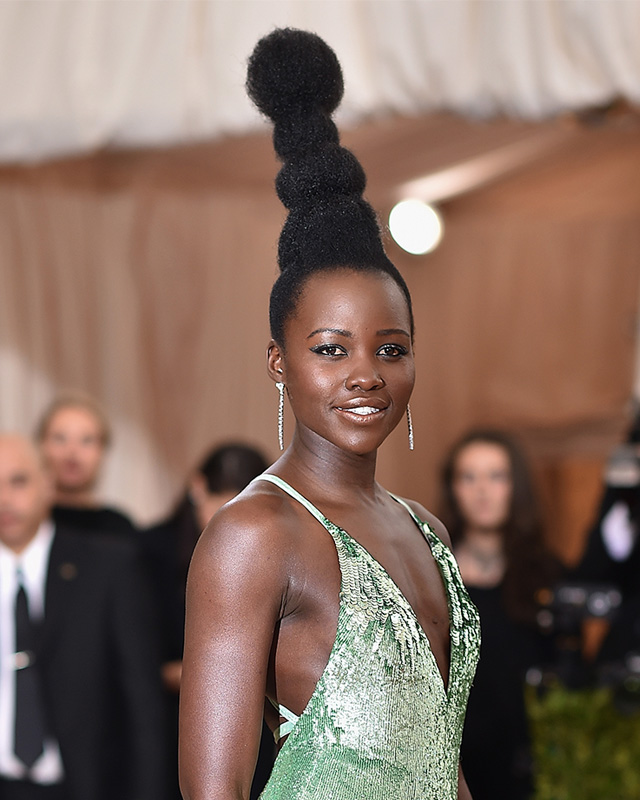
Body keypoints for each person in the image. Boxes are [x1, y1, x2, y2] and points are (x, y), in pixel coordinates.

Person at [179, 28, 480, 800]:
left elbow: (440, 761)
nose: (365, 377)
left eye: (390, 349)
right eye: (331, 349)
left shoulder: (428, 530)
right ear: (279, 363)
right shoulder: (253, 535)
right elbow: (213, 793)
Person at [0, 434, 165, 800]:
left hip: (82, 786)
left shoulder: (107, 566)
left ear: (47, 483)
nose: (4, 499)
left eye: (18, 481)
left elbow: (143, 705)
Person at [143, 443, 273, 800]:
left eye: (243, 508)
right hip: (171, 726)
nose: (231, 520)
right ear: (197, 489)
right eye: (222, 505)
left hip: (256, 731)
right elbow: (139, 664)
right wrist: (242, 676)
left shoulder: (267, 550)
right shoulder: (150, 551)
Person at [441, 429, 560, 800]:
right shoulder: (430, 575)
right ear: (453, 488)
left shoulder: (547, 576)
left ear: (515, 486)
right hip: (451, 770)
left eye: (497, 476)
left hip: (533, 771)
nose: (482, 490)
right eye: (469, 476)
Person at [35, 392, 137, 539]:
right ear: (41, 446)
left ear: (103, 451)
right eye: (60, 438)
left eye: (86, 440)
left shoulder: (119, 528)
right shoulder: (24, 523)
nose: (72, 452)